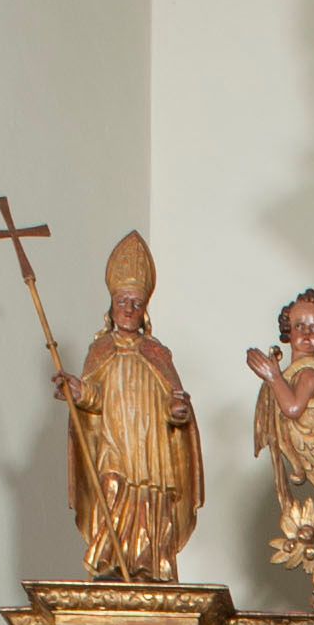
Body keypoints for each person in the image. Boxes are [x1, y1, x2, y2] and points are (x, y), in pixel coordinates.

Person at [59, 232, 203, 582]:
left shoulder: (157, 353)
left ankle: (148, 566)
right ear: (112, 306)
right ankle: (110, 562)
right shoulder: (101, 350)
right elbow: (94, 397)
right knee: (111, 488)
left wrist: (177, 411)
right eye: (123, 301)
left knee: (151, 499)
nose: (129, 309)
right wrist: (79, 391)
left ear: (144, 311)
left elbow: (175, 400)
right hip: (115, 444)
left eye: (136, 304)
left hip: (151, 450)